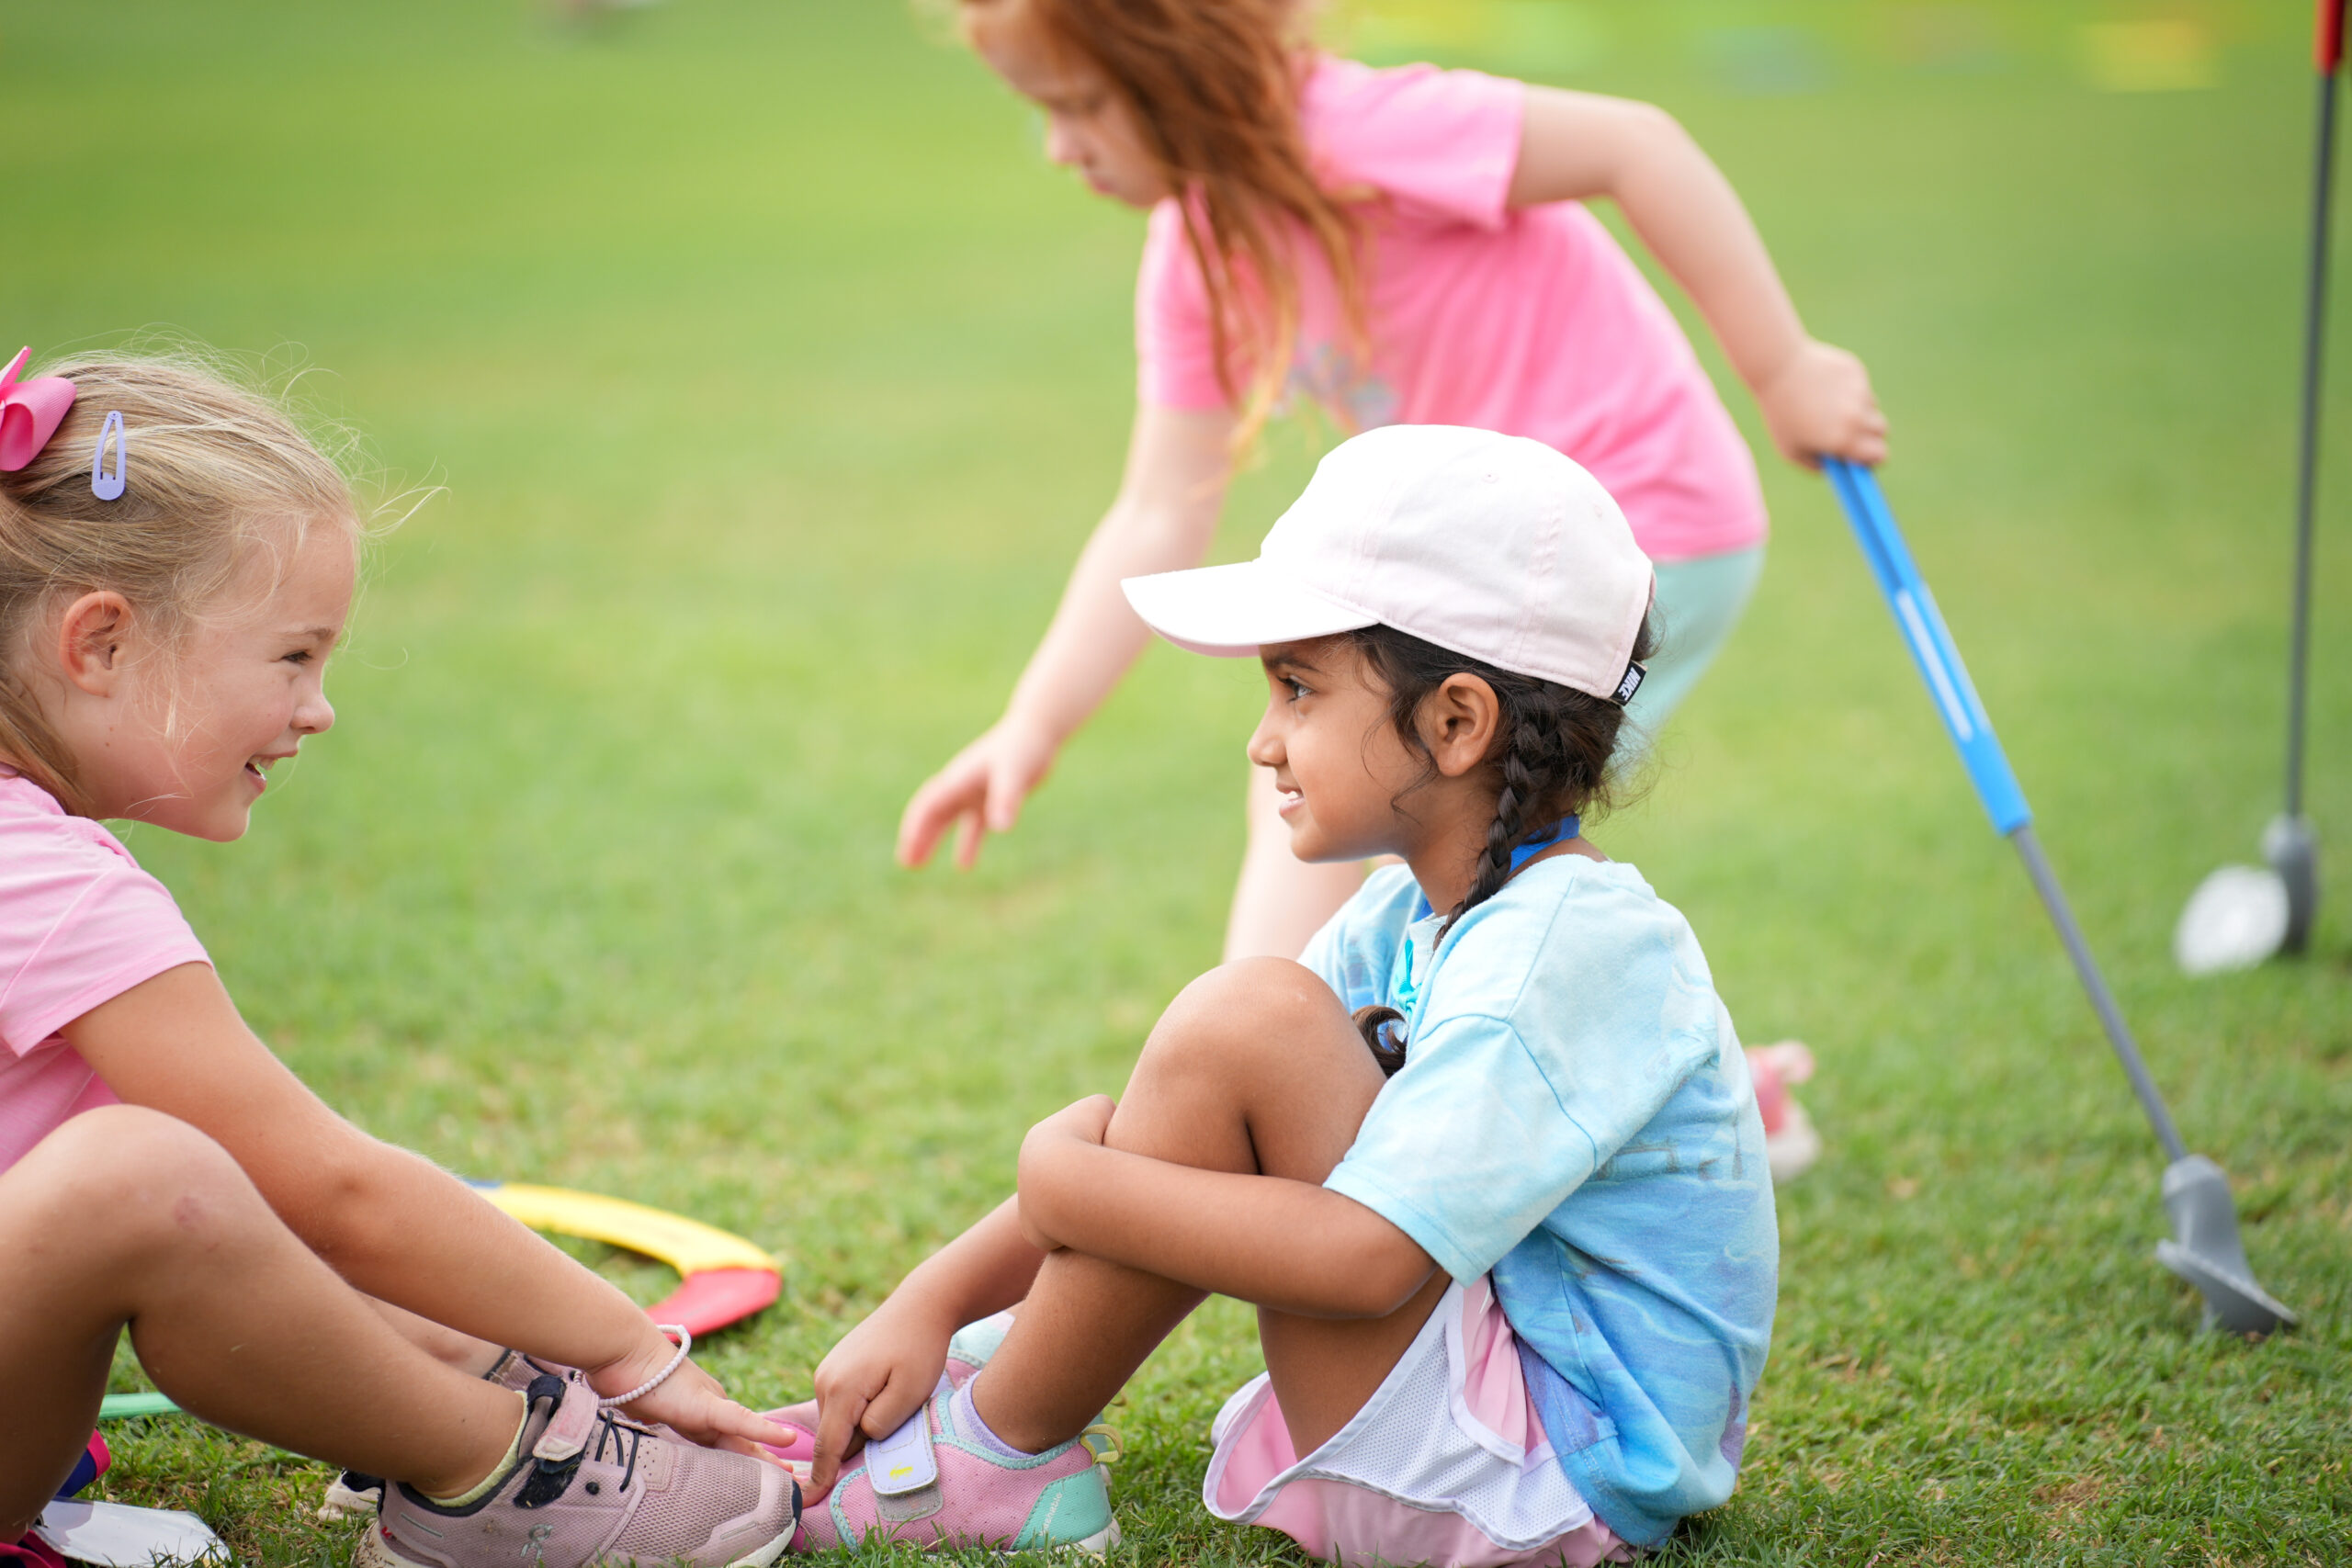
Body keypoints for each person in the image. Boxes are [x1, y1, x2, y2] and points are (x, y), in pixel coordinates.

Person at [791, 427, 1775, 1563]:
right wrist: (933, 1298)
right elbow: (1199, 1134)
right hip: (1515, 1424)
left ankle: (998, 1452)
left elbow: (1363, 1261)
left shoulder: (1562, 952)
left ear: (1455, 722)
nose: (1263, 742)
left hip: (1547, 1482)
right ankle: (998, 1400)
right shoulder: (1415, 913)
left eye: (1297, 689)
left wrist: (1064, 1184)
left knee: (1242, 1017)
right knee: (1239, 1027)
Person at [0, 347, 801, 1568]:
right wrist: (629, 1346)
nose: (319, 706)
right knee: (141, 1172)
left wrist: (504, 1337)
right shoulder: (50, 885)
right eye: (292, 655)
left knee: (213, 1148)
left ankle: (491, 1389)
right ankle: (496, 1467)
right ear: (99, 641)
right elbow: (338, 1190)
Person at [897, 0, 1887, 973]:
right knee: (1372, 784)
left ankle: (1251, 1085)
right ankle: (1276, 1066)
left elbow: (1639, 147)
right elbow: (1159, 509)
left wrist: (1782, 368)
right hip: (1479, 559)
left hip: (1633, 521)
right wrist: (1032, 723)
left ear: (1178, 61)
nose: (1058, 147)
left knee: (1383, 777)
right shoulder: (1195, 256)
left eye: (1078, 104)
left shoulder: (1365, 133)